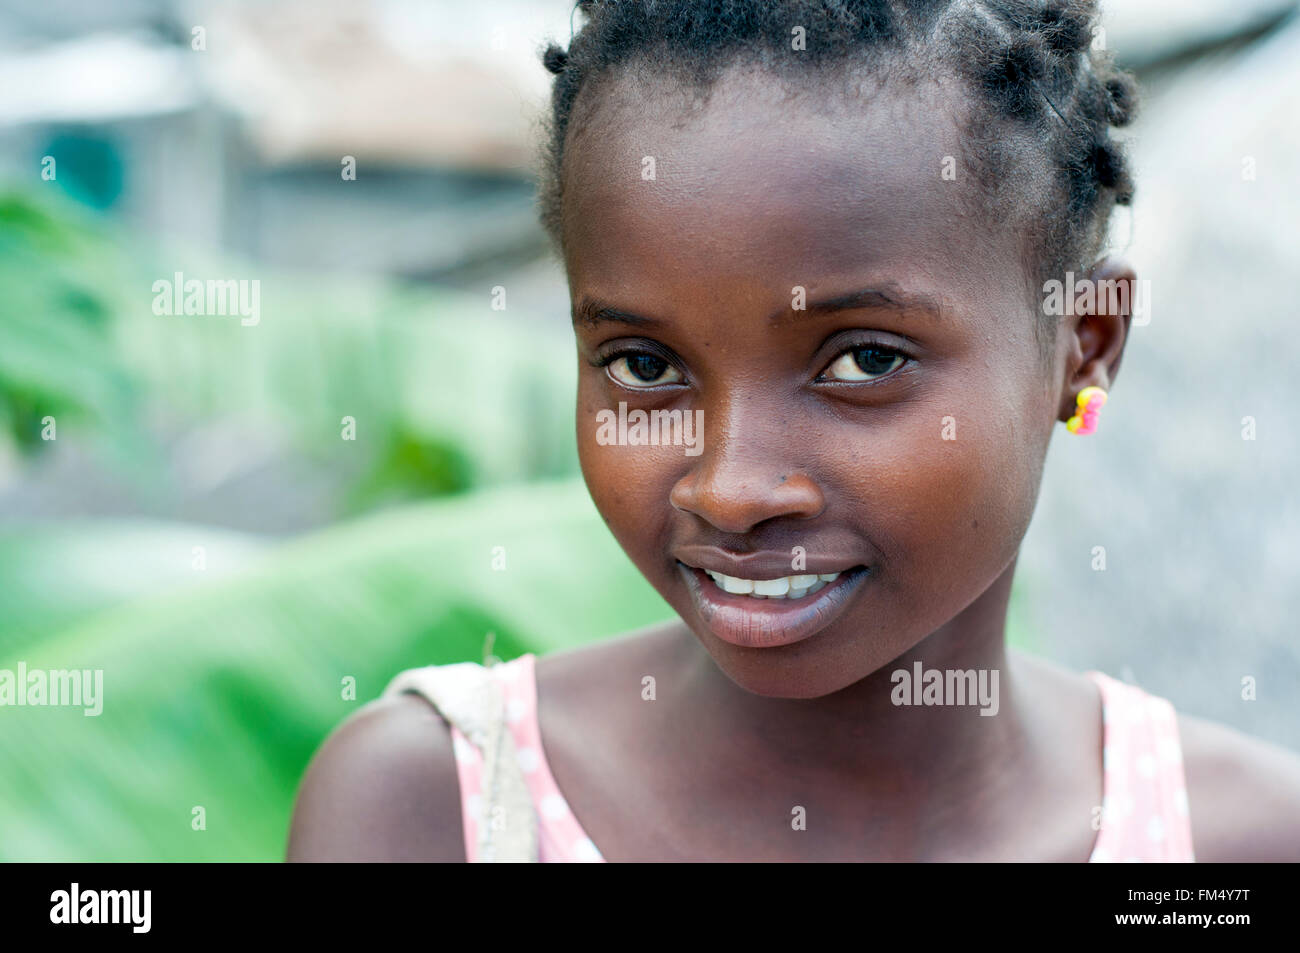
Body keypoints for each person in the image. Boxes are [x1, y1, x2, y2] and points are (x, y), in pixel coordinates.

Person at [286, 0, 1300, 862]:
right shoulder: (438, 812)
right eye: (645, 367)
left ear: (1082, 344)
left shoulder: (1223, 845)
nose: (729, 487)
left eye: (862, 360)